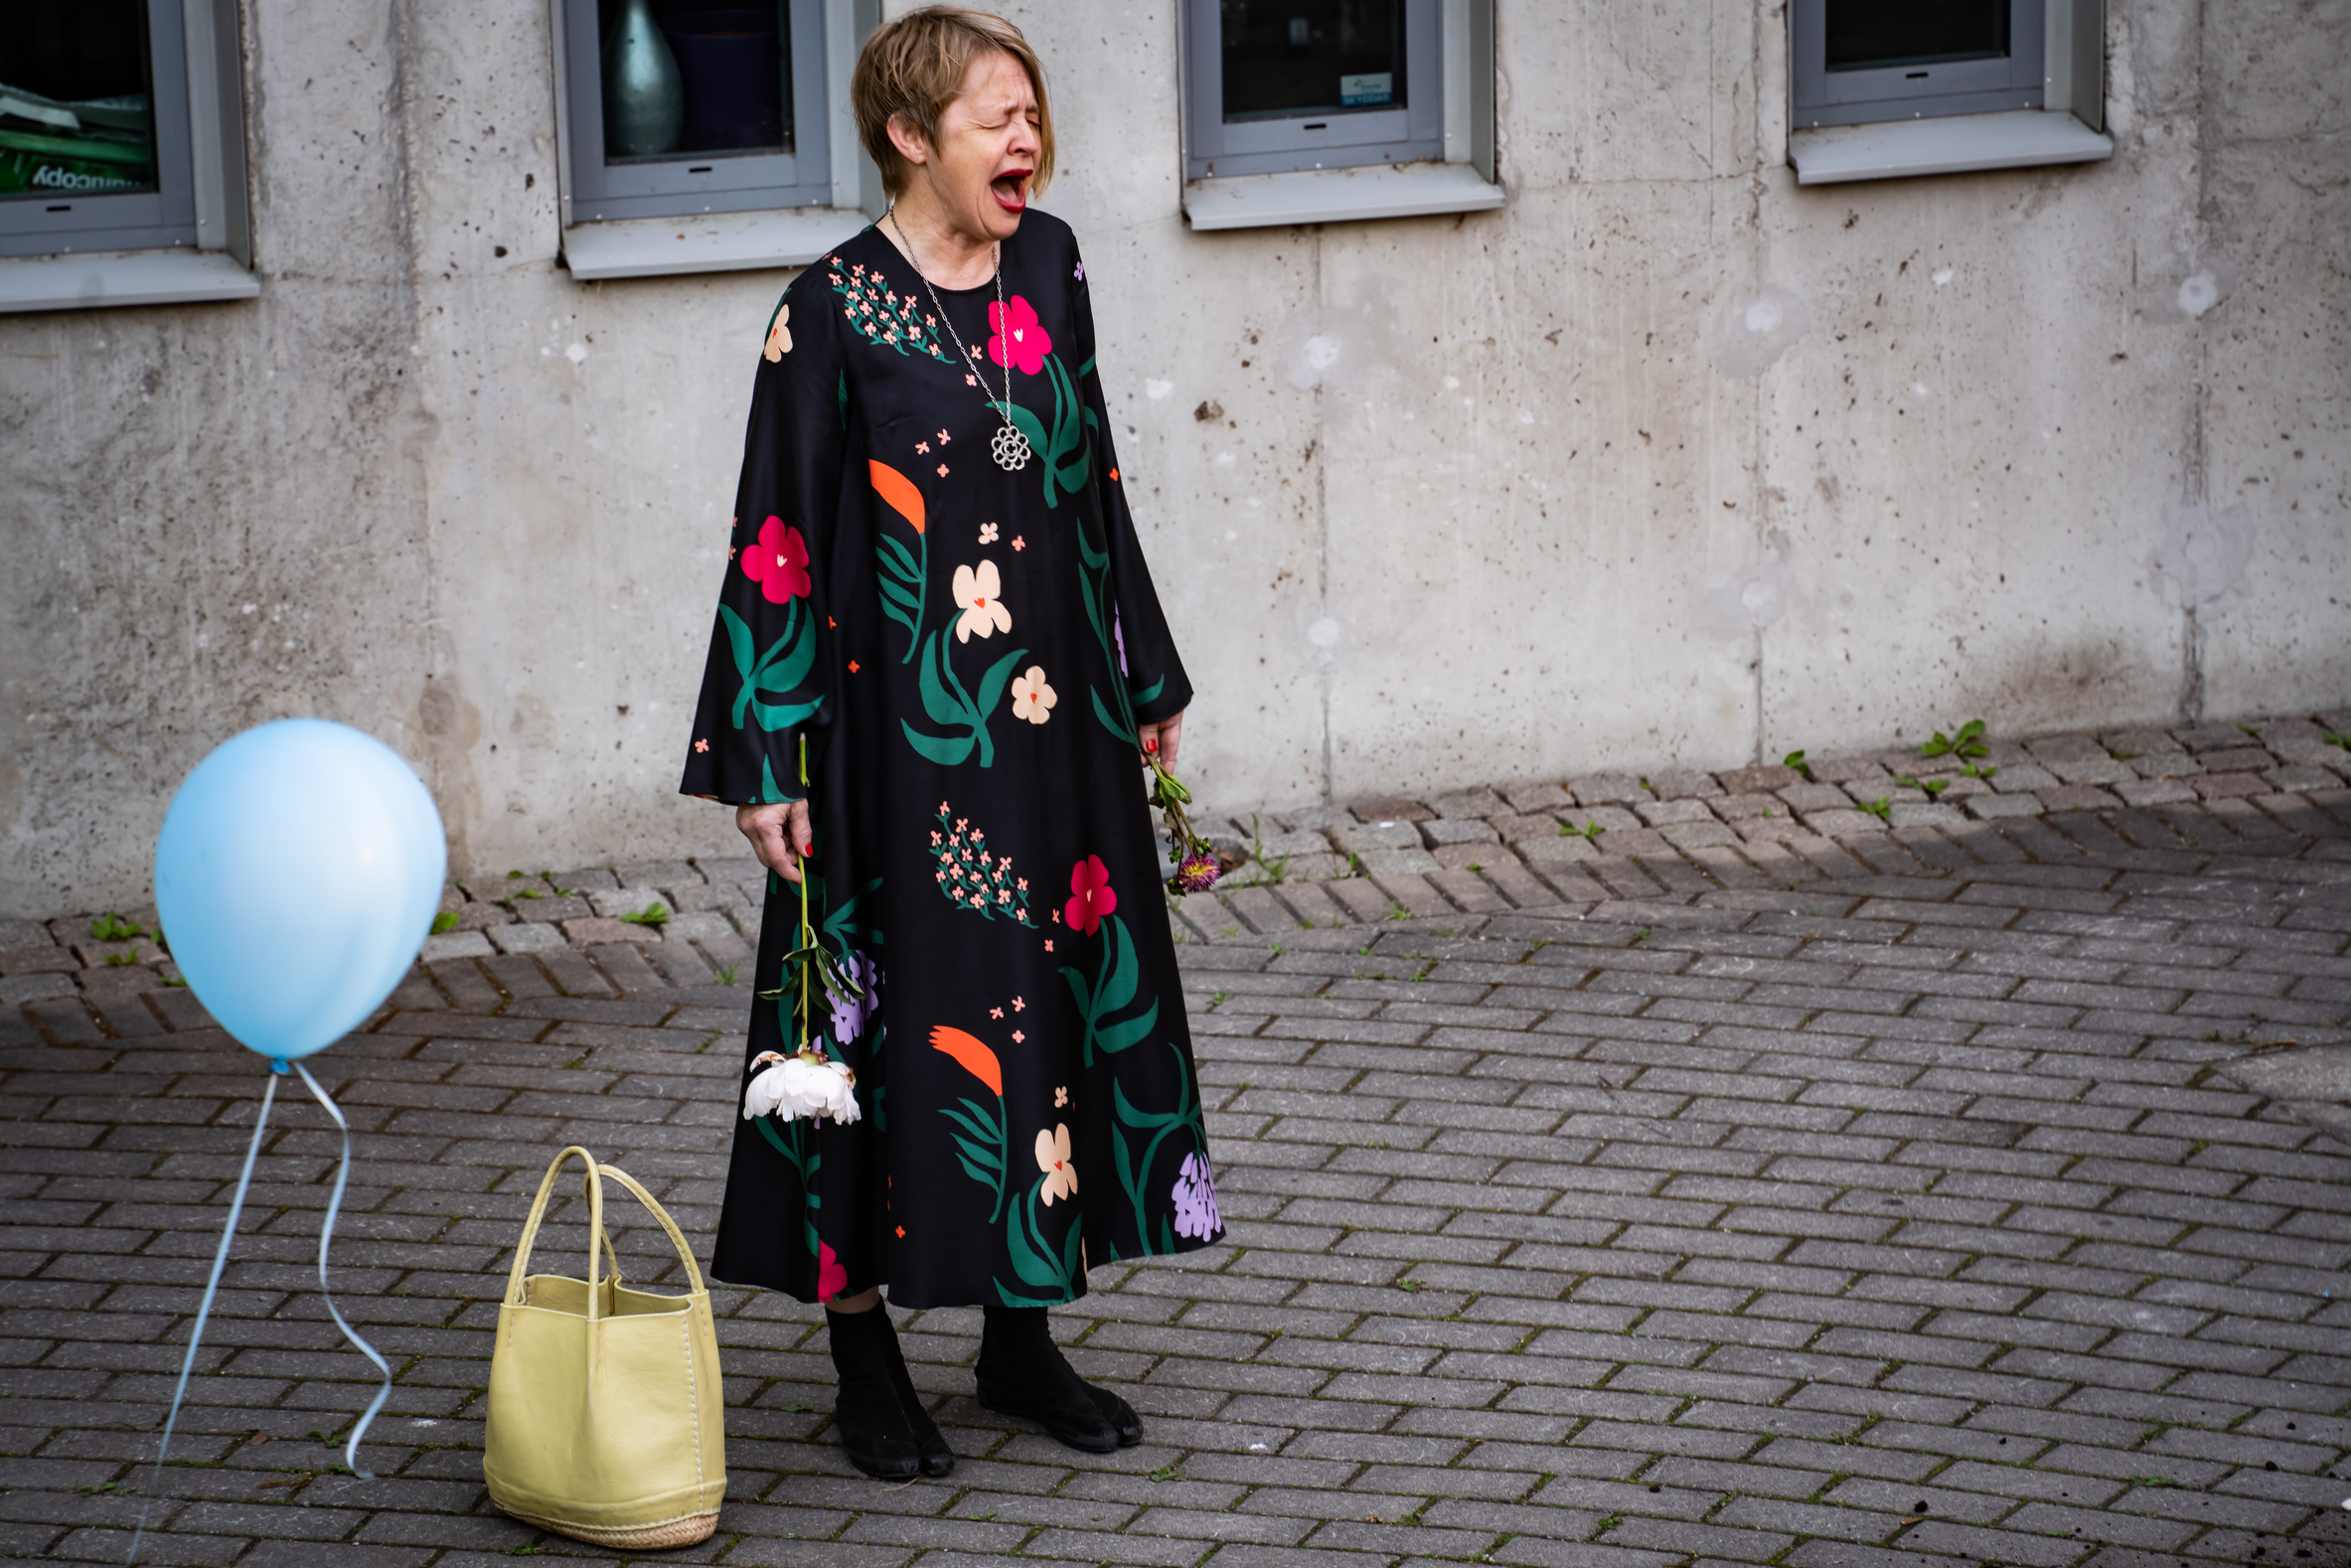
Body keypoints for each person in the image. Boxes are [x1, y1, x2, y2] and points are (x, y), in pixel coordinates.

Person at [678, 7, 1223, 1482]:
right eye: (998, 118)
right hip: (894, 745)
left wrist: (1144, 665)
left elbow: (1091, 473)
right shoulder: (827, 311)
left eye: (1033, 115)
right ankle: (864, 1361)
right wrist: (767, 757)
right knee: (891, 1024)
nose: (1027, 139)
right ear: (911, 136)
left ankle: (1017, 1337)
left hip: (1055, 730)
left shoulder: (1051, 265)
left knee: (1035, 1009)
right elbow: (776, 537)